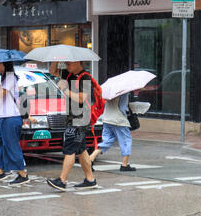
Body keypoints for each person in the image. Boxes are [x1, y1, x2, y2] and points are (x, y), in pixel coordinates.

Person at [46, 61, 97, 191]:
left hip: (79, 119)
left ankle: (62, 181)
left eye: (69, 64)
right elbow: (52, 71)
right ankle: (90, 179)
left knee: (69, 149)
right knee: (81, 150)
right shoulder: (69, 74)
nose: (67, 66)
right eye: (66, 64)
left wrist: (65, 90)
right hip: (73, 118)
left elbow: (81, 98)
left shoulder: (85, 77)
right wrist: (55, 59)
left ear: (77, 62)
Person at [0, 61, 29, 185]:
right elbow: (0, 93)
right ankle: (0, 171)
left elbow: (0, 93)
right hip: (2, 117)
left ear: (6, 65)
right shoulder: (4, 78)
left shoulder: (10, 77)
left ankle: (22, 174)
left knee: (11, 146)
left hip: (11, 117)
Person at [89, 94, 136, 171]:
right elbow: (122, 107)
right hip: (119, 120)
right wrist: (130, 109)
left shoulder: (110, 92)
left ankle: (90, 159)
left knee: (107, 141)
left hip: (107, 119)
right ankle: (124, 164)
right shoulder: (124, 93)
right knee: (126, 141)